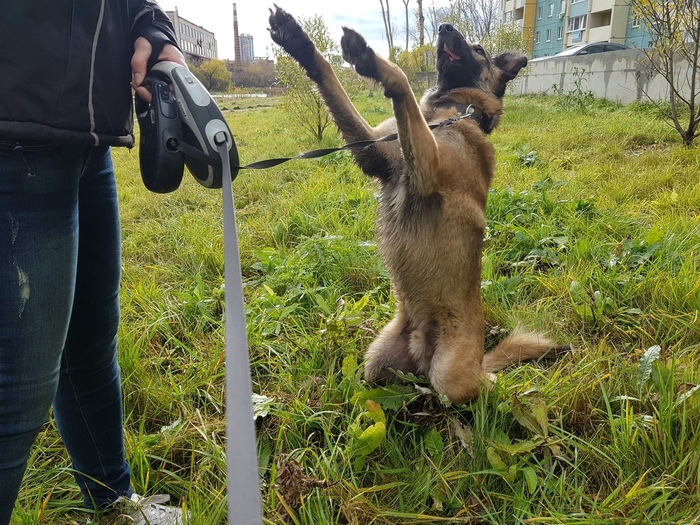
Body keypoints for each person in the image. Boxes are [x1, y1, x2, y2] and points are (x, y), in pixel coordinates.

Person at [0, 2, 189, 524]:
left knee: (89, 343)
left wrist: (153, 28)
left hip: (87, 138)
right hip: (15, 128)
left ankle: (112, 505)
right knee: (15, 389)